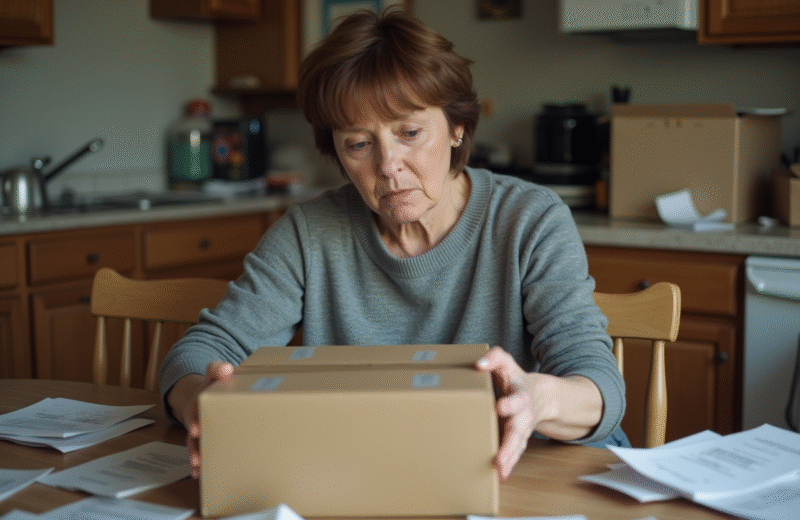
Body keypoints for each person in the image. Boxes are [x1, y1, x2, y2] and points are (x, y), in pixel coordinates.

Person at [159, 7, 628, 484]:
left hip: (508, 477)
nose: (387, 165)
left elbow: (597, 385)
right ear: (337, 153)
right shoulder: (309, 232)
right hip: (366, 474)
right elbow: (199, 353)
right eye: (359, 144)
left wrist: (537, 397)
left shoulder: (530, 219)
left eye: (409, 133)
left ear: (457, 126)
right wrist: (200, 399)